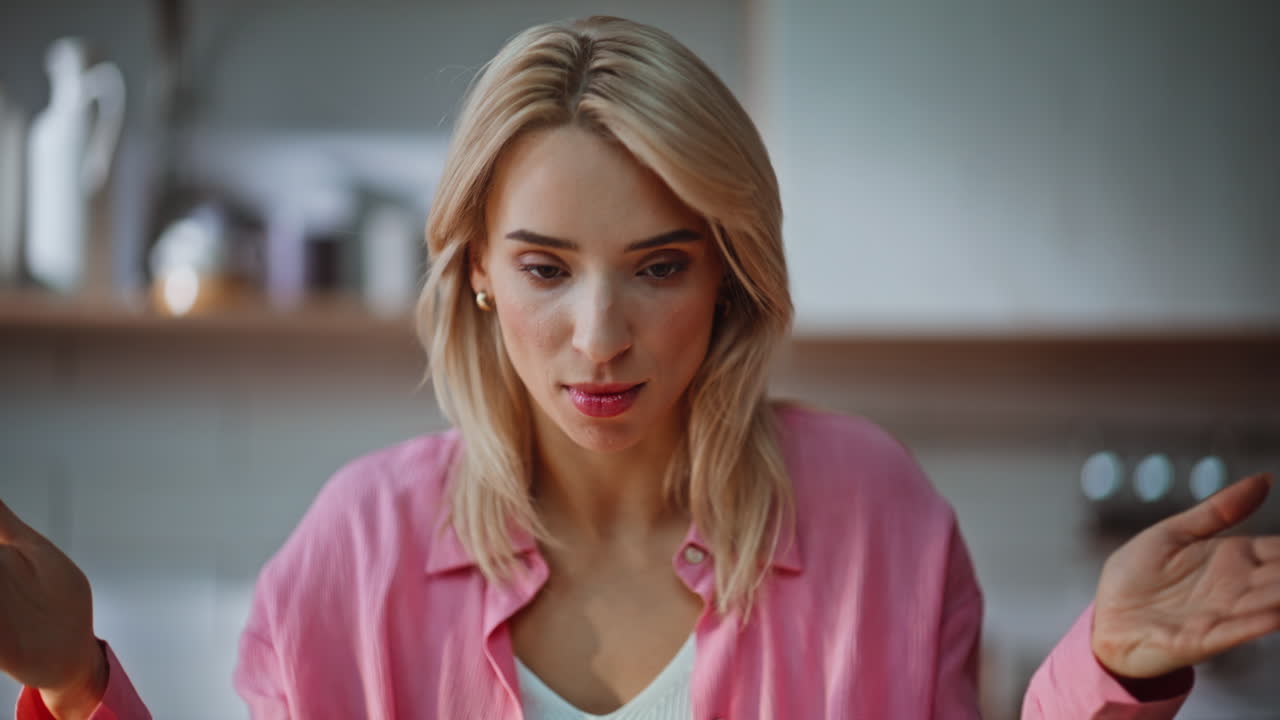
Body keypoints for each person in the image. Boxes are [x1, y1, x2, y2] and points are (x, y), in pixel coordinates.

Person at [2, 15, 1278, 720]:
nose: (599, 338)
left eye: (658, 266)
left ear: (727, 273)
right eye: (547, 267)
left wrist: (1107, 670)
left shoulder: (871, 512)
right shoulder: (358, 548)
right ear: (478, 271)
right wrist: (75, 685)